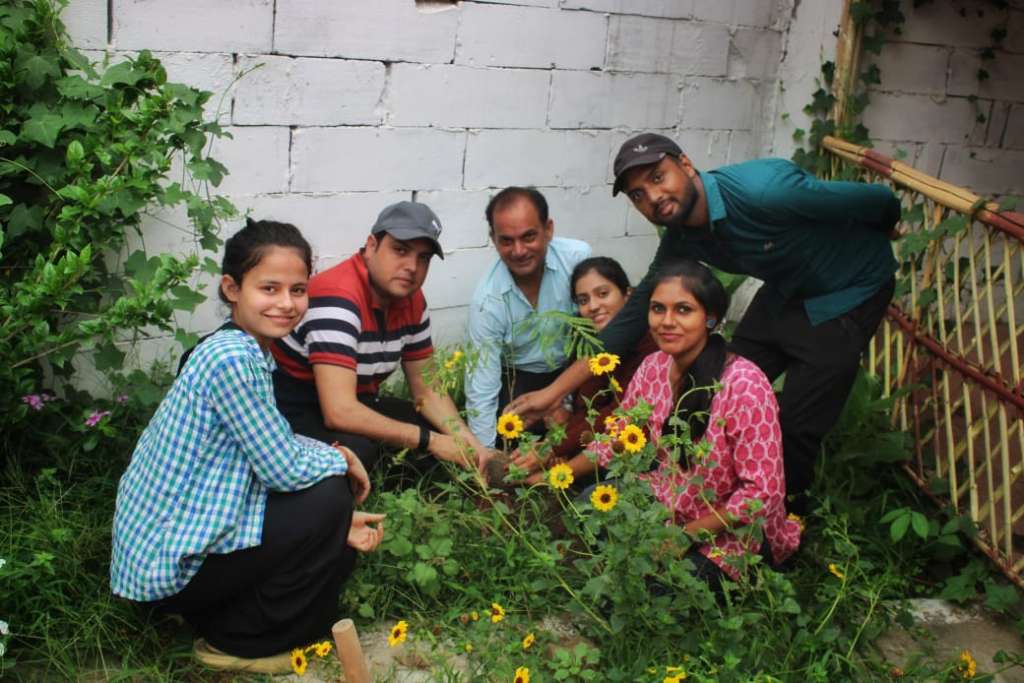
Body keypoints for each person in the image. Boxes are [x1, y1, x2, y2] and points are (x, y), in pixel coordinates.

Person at [509, 133, 901, 512]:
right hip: (786, 287)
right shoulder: (681, 236)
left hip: (848, 291)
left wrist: (884, 227)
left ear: (686, 164)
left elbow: (879, 200)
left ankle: (779, 521)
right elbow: (628, 322)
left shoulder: (765, 192)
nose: (653, 197)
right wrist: (551, 393)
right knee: (710, 385)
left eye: (658, 177)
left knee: (796, 426)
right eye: (638, 195)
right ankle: (702, 496)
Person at [111, 219, 385, 673]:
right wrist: (342, 459)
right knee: (327, 495)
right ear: (232, 289)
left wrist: (335, 524)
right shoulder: (232, 358)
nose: (286, 303)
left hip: (184, 537)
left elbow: (267, 449)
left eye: (298, 290)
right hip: (166, 564)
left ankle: (221, 614)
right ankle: (237, 643)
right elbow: (283, 469)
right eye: (269, 288)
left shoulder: (245, 348)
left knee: (332, 529)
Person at [583, 260, 801, 587]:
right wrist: (552, 473)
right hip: (668, 505)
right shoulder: (653, 367)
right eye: (658, 308)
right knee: (588, 506)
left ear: (710, 319)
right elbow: (618, 435)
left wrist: (684, 536)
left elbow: (762, 494)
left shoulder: (744, 385)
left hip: (732, 530)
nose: (667, 321)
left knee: (658, 590)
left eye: (683, 310)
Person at [272, 201, 487, 473]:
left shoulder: (411, 299)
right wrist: (431, 442)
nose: (412, 266)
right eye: (400, 250)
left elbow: (427, 387)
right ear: (371, 246)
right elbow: (339, 412)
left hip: (357, 400)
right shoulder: (338, 299)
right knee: (364, 452)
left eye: (423, 258)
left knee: (433, 434)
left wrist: (470, 445)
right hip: (295, 408)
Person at [509, 256, 657, 485]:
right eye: (583, 300)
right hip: (597, 440)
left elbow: (618, 414)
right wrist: (560, 428)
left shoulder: (651, 343)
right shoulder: (585, 336)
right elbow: (585, 404)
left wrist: (555, 446)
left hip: (641, 449)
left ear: (628, 295)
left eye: (603, 294)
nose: (593, 306)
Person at [465, 187, 591, 448]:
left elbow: (603, 331)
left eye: (529, 236)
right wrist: (485, 455)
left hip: (579, 367)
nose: (519, 251)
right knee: (509, 439)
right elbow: (482, 386)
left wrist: (564, 400)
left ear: (548, 229)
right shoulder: (487, 301)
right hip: (521, 377)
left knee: (592, 430)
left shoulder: (577, 259)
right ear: (493, 239)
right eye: (506, 241)